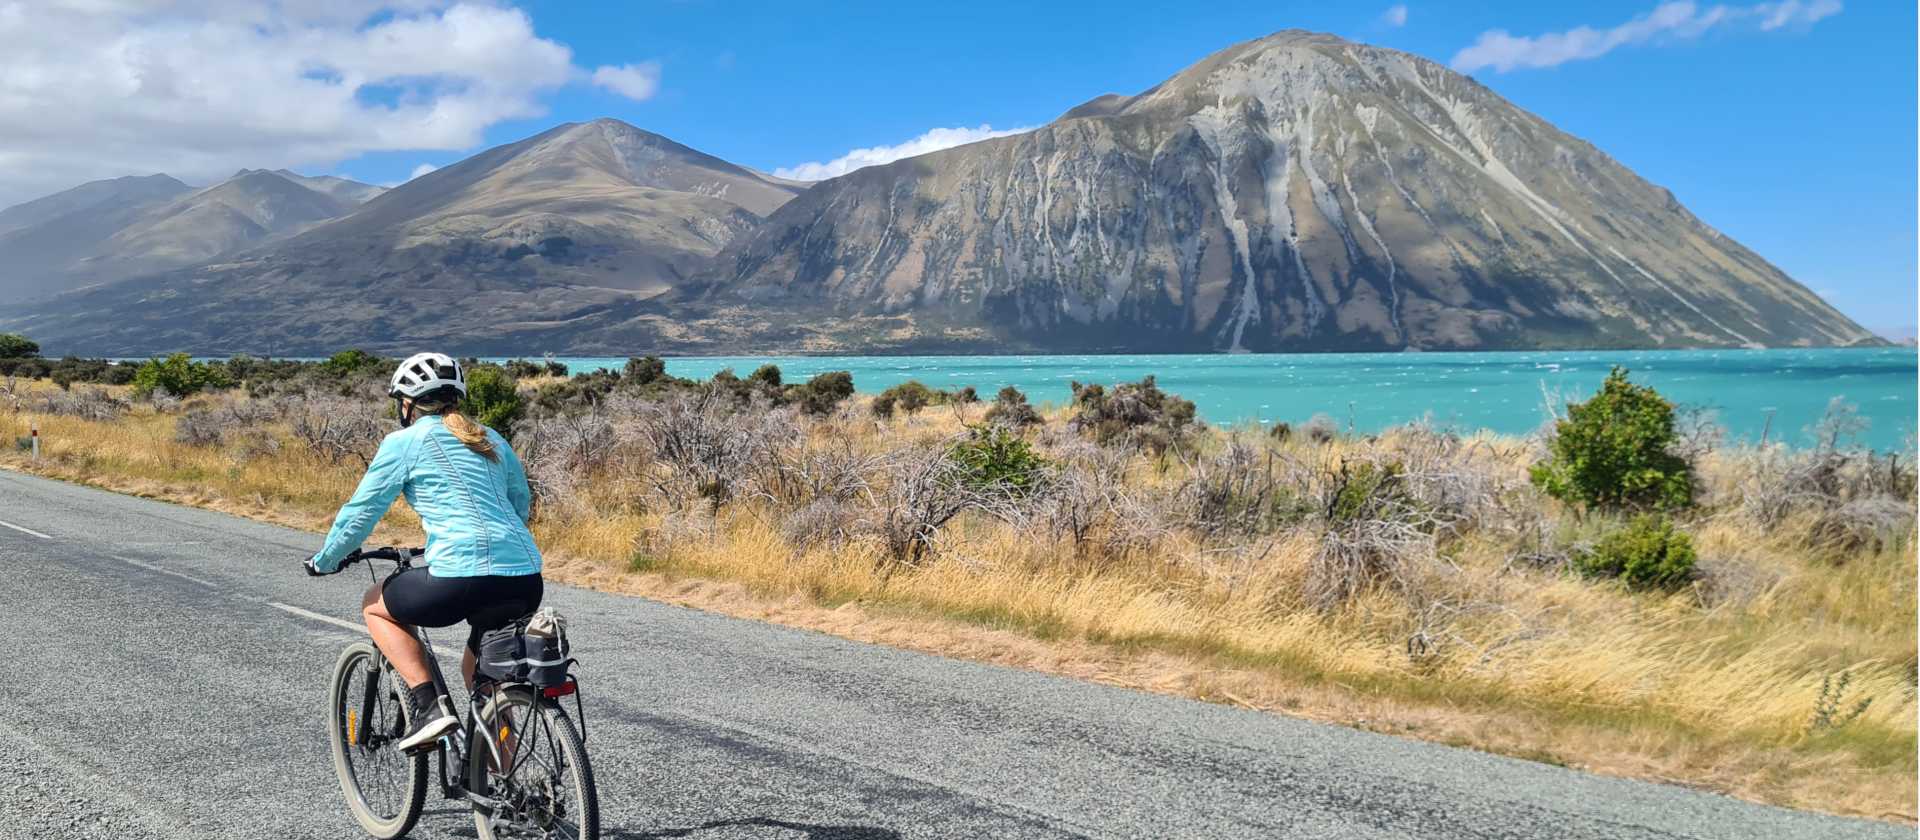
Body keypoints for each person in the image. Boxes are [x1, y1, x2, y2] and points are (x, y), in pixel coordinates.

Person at [303, 352, 543, 753]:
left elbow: (362, 511)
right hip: (523, 575)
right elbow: (520, 502)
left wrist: (325, 559)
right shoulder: (490, 438)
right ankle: (512, 793)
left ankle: (429, 708)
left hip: (459, 577)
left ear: (407, 403)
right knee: (483, 676)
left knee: (375, 605)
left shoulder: (405, 442)